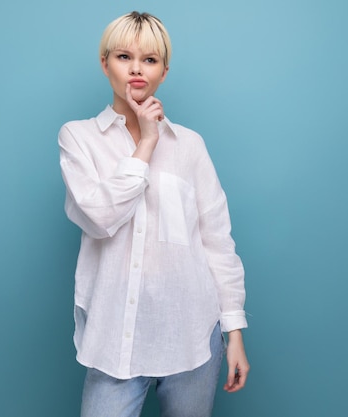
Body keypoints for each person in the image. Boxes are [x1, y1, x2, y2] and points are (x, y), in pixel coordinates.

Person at [58, 11, 249, 417]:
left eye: (150, 60)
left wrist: (234, 332)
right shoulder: (79, 137)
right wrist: (145, 143)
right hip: (115, 339)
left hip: (192, 335)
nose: (137, 69)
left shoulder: (190, 146)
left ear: (164, 70)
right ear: (104, 62)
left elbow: (216, 242)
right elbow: (97, 216)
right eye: (124, 56)